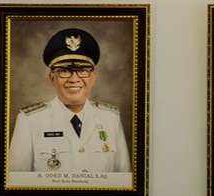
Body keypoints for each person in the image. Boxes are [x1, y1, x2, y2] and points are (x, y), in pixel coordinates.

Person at [9, 28, 131, 173]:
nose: (74, 79)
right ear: (52, 78)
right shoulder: (29, 121)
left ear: (93, 77)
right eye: (64, 71)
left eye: (83, 70)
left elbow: (124, 181)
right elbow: (17, 182)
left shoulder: (111, 118)